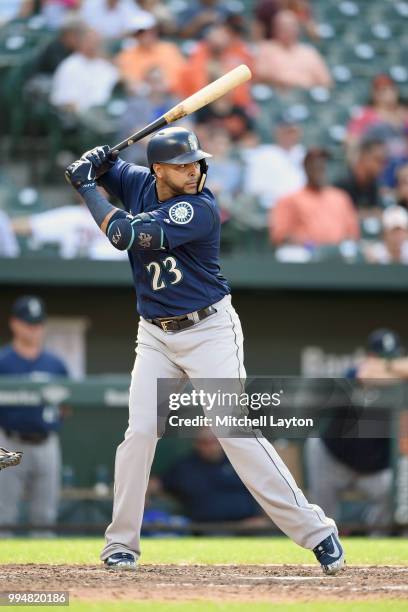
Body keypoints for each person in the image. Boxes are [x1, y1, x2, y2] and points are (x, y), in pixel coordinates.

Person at [64, 125, 345, 574]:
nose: (193, 170)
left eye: (196, 162)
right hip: (155, 334)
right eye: (181, 165)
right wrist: (98, 159)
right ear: (158, 170)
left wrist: (84, 185)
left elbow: (123, 235)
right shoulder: (140, 182)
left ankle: (318, 531)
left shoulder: (199, 208)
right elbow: (113, 169)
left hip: (208, 331)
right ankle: (121, 545)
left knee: (233, 431)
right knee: (138, 434)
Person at [305, 329, 400, 532]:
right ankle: (324, 540)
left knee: (394, 490)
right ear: (369, 356)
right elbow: (365, 374)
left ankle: (376, 537)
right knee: (322, 518)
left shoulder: (400, 384)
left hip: (373, 471)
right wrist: (393, 369)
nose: (383, 363)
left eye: (389, 358)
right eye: (379, 357)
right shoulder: (353, 374)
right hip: (333, 459)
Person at [0, 296, 69, 530]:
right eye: (28, 323)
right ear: (14, 323)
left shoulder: (55, 364)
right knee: (4, 515)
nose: (34, 329)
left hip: (46, 441)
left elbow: (67, 405)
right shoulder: (3, 361)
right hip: (9, 440)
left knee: (45, 517)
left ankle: (44, 568)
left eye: (38, 323)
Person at [160, 429, 263, 523]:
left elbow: (262, 490)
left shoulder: (240, 462)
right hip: (209, 526)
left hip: (250, 523)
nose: (210, 447)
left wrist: (263, 518)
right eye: (204, 442)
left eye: (214, 442)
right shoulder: (184, 467)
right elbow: (160, 486)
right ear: (196, 444)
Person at [270, 148, 359, 246]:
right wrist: (306, 243)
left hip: (337, 255)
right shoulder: (289, 199)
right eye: (314, 163)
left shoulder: (341, 197)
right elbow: (279, 236)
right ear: (305, 167)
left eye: (323, 163)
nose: (320, 166)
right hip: (305, 255)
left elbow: (353, 234)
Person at [254, 10, 331, 90]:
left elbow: (326, 81)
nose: (287, 29)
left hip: (305, 96)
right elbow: (260, 74)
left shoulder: (309, 52)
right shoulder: (266, 48)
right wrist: (285, 81)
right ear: (275, 28)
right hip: (278, 95)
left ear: (297, 28)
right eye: (283, 26)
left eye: (291, 25)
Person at [242, 113, 306, 209]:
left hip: (301, 207)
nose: (289, 136)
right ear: (276, 132)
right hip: (271, 206)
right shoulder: (262, 154)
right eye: (285, 131)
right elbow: (253, 188)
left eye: (292, 131)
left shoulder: (304, 154)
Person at [115, 12, 186, 98]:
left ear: (155, 30)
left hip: (174, 98)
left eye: (150, 30)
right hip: (146, 101)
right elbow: (133, 85)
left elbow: (183, 75)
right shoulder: (126, 56)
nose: (146, 35)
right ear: (134, 35)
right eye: (140, 32)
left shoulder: (170, 49)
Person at [50, 28, 119, 114]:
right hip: (76, 117)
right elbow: (66, 101)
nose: (94, 45)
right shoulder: (70, 65)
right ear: (81, 43)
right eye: (90, 41)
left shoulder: (107, 67)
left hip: (102, 113)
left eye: (97, 42)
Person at [335, 140, 387, 212]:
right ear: (364, 157)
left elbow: (380, 212)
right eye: (378, 160)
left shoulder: (373, 185)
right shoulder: (341, 185)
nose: (382, 166)